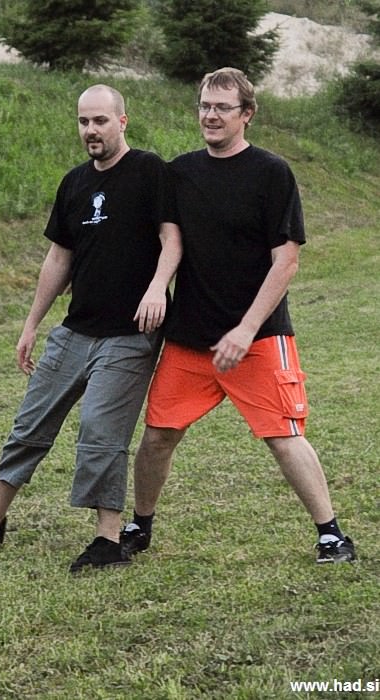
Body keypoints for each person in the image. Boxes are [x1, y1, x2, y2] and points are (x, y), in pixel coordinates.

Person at [0, 84, 182, 573]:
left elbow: (171, 238)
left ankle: (108, 539)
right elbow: (58, 258)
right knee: (29, 424)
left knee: (101, 431)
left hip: (130, 334)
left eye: (100, 120)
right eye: (84, 121)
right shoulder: (74, 183)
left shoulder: (149, 170)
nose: (91, 130)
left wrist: (158, 288)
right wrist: (31, 324)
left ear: (122, 121)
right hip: (75, 330)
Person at [120, 67, 356, 565]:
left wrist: (246, 329)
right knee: (158, 436)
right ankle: (139, 526)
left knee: (284, 437)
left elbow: (286, 261)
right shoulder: (181, 173)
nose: (211, 115)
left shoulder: (271, 173)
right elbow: (168, 241)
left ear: (246, 114)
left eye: (222, 108)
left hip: (258, 338)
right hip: (190, 340)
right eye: (205, 106)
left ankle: (331, 535)